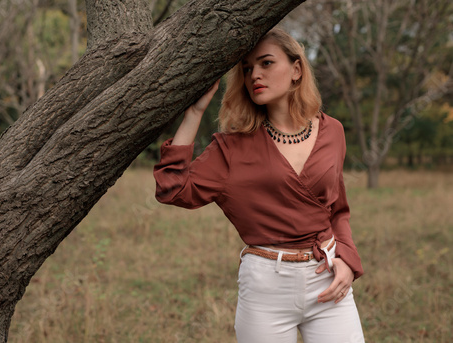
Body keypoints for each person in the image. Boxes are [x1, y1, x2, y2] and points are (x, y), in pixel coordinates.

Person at [153, 28, 365, 343]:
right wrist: (195, 112)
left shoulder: (332, 131)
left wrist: (347, 258)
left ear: (296, 70)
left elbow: (337, 208)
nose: (255, 75)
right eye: (248, 68)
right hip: (267, 285)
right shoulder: (231, 148)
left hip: (327, 277)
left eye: (266, 63)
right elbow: (172, 188)